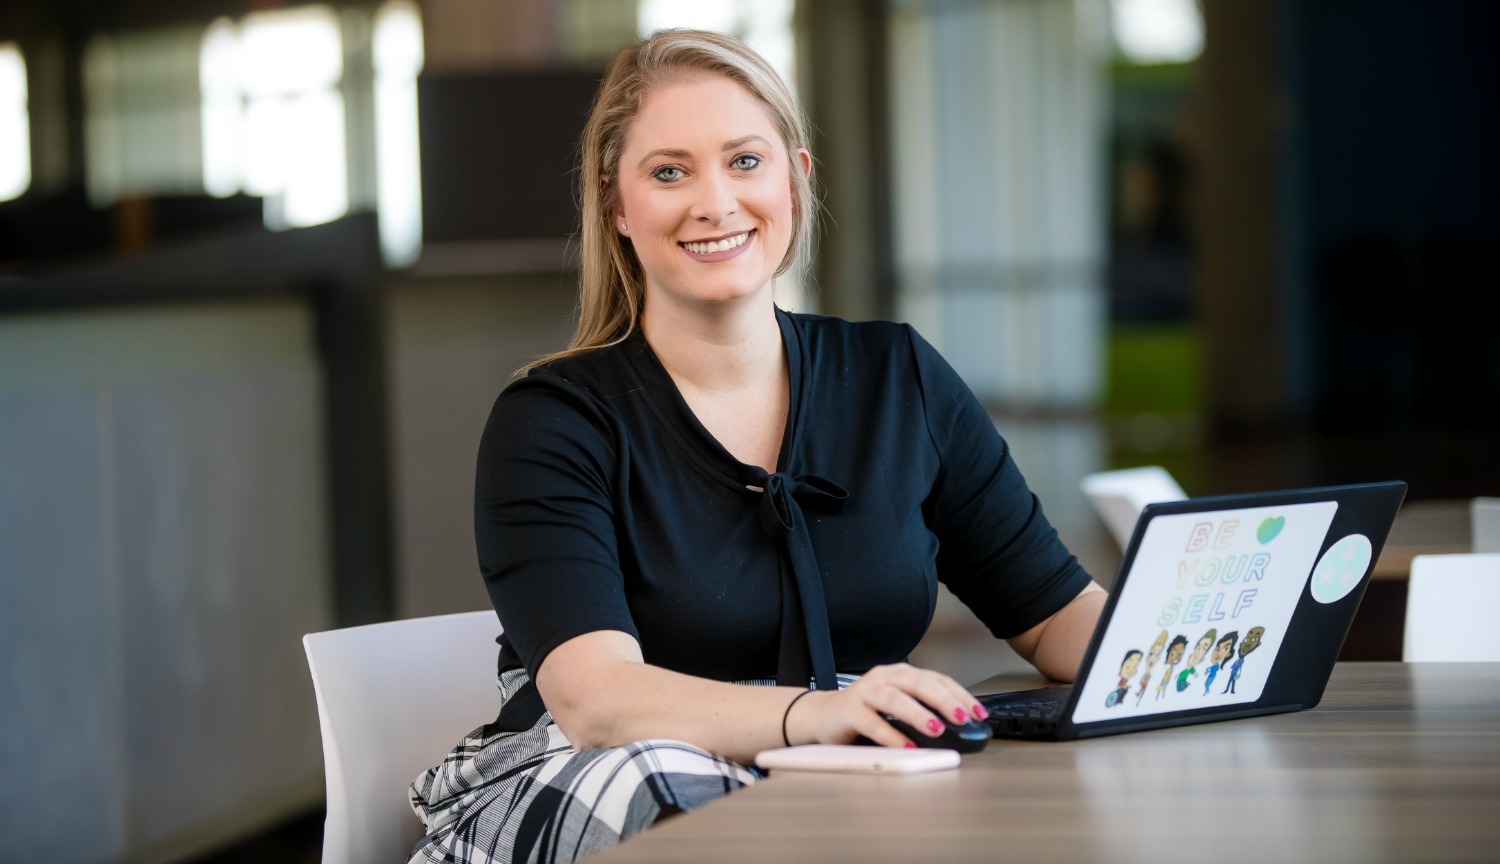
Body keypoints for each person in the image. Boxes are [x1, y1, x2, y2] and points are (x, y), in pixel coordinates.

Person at [407, 28, 1106, 864]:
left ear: (795, 180)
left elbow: (1057, 617)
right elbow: (599, 704)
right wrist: (820, 713)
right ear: (616, 206)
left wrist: (1200, 646)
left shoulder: (899, 378)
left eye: (745, 161)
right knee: (695, 792)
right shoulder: (551, 422)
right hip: (597, 779)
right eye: (670, 173)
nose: (715, 202)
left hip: (830, 787)